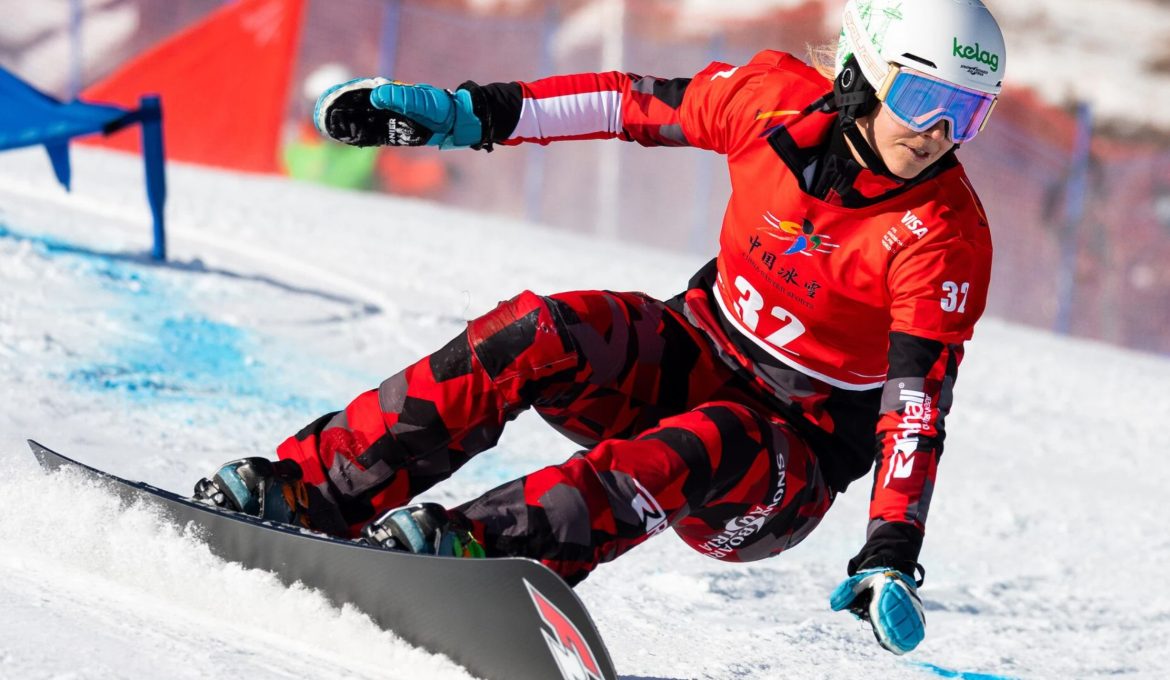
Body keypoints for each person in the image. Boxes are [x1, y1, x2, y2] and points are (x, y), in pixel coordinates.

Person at [195, 0, 1006, 656]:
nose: (936, 134)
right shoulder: (770, 101)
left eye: (967, 115)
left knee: (704, 440)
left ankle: (474, 558)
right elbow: (622, 103)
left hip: (786, 461)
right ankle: (316, 493)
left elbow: (915, 409)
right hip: (697, 350)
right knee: (536, 331)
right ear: (861, 73)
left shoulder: (944, 237)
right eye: (922, 99)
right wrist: (464, 115)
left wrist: (891, 549)